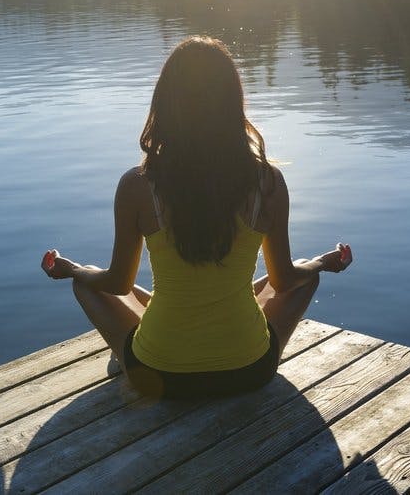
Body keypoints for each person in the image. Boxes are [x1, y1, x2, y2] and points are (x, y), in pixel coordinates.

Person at [41, 36, 351, 399]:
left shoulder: (137, 185)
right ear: (232, 104)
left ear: (166, 104)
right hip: (249, 371)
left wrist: (72, 269)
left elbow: (117, 284)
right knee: (303, 276)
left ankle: (147, 341)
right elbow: (283, 281)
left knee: (88, 282)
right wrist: (319, 264)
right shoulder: (268, 182)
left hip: (157, 374)